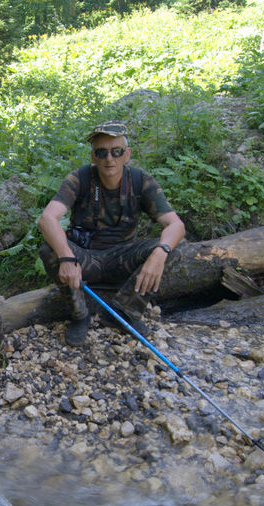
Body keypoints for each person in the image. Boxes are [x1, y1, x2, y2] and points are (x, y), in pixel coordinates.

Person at [37, 120, 185, 346]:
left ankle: (124, 310)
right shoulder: (80, 178)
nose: (109, 158)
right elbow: (48, 218)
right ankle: (80, 315)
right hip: (86, 259)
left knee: (170, 247)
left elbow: (175, 225)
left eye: (117, 152)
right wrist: (66, 257)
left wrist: (159, 254)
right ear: (93, 156)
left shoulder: (140, 181)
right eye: (102, 152)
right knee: (49, 250)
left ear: (127, 154)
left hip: (122, 259)